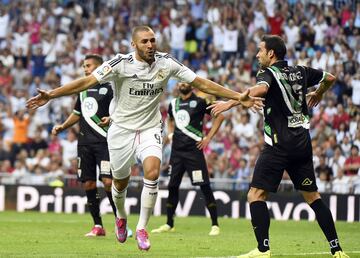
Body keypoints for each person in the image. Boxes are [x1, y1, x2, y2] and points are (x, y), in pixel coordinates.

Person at [27, 26, 263, 251]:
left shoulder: (166, 62)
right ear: (134, 44)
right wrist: (53, 94)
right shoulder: (120, 63)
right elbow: (87, 81)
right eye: (145, 41)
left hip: (150, 128)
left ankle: (141, 229)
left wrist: (237, 96)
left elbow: (200, 82)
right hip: (120, 131)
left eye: (153, 40)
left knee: (152, 172)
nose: (150, 45)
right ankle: (121, 218)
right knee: (120, 183)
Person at [209, 35, 348, 258]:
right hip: (302, 145)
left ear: (271, 54)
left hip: (278, 146)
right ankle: (337, 249)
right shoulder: (301, 71)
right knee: (313, 197)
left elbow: (261, 89)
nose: (257, 55)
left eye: (260, 50)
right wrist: (319, 93)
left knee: (255, 195)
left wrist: (230, 102)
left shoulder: (267, 73)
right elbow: (330, 78)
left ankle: (263, 250)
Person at [51, 54, 133, 238]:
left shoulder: (112, 88)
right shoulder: (83, 90)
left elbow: (124, 110)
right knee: (88, 183)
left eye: (88, 66)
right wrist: (63, 126)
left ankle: (120, 223)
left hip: (105, 142)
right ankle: (98, 226)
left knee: (108, 182)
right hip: (85, 144)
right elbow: (77, 113)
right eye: (84, 66)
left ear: (99, 67)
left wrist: (112, 118)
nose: (85, 69)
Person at [151, 82, 224, 236]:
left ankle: (215, 224)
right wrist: (170, 134)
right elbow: (170, 121)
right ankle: (169, 224)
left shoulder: (200, 102)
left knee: (204, 186)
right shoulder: (173, 103)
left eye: (186, 81)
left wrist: (208, 138)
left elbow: (220, 117)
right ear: (177, 85)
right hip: (176, 153)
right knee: (172, 186)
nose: (182, 84)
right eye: (180, 81)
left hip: (194, 152)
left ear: (192, 85)